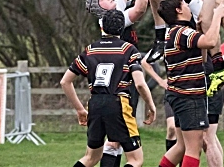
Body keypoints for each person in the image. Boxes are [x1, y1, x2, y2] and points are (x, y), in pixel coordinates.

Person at [85, 0, 162, 166]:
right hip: (123, 80)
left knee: (115, 141)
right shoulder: (110, 19)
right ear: (100, 9)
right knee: (120, 143)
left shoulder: (112, 14)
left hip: (116, 81)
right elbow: (138, 9)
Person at [61, 9, 157, 167]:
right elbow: (139, 83)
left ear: (102, 27)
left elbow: (65, 82)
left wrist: (80, 109)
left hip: (95, 104)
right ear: (122, 29)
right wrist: (150, 105)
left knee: (91, 158)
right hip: (118, 103)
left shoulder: (90, 50)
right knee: (135, 159)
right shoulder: (129, 50)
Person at [156, 0, 224, 167]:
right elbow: (211, 42)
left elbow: (203, 57)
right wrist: (217, 15)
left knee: (181, 146)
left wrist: (200, 31)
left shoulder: (174, 32)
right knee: (193, 148)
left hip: (177, 95)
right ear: (179, 10)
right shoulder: (183, 32)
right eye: (186, 5)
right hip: (189, 97)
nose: (190, 7)